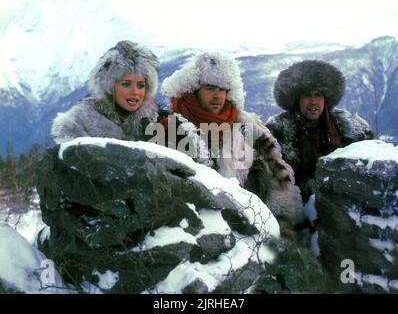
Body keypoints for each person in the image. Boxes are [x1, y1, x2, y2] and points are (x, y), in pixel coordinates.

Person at [159, 52, 304, 240]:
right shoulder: (172, 126)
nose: (217, 96)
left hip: (249, 229)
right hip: (196, 232)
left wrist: (283, 233)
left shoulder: (245, 125)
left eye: (223, 89)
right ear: (195, 89)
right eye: (210, 88)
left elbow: (278, 179)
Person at [266, 60, 374, 202]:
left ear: (325, 99)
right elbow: (272, 182)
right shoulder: (277, 132)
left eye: (318, 95)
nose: (313, 102)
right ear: (296, 99)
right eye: (306, 95)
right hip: (297, 207)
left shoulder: (353, 129)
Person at [51, 40, 159, 143]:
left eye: (141, 85)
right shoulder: (78, 124)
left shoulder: (155, 120)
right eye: (126, 84)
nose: (135, 92)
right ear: (109, 87)